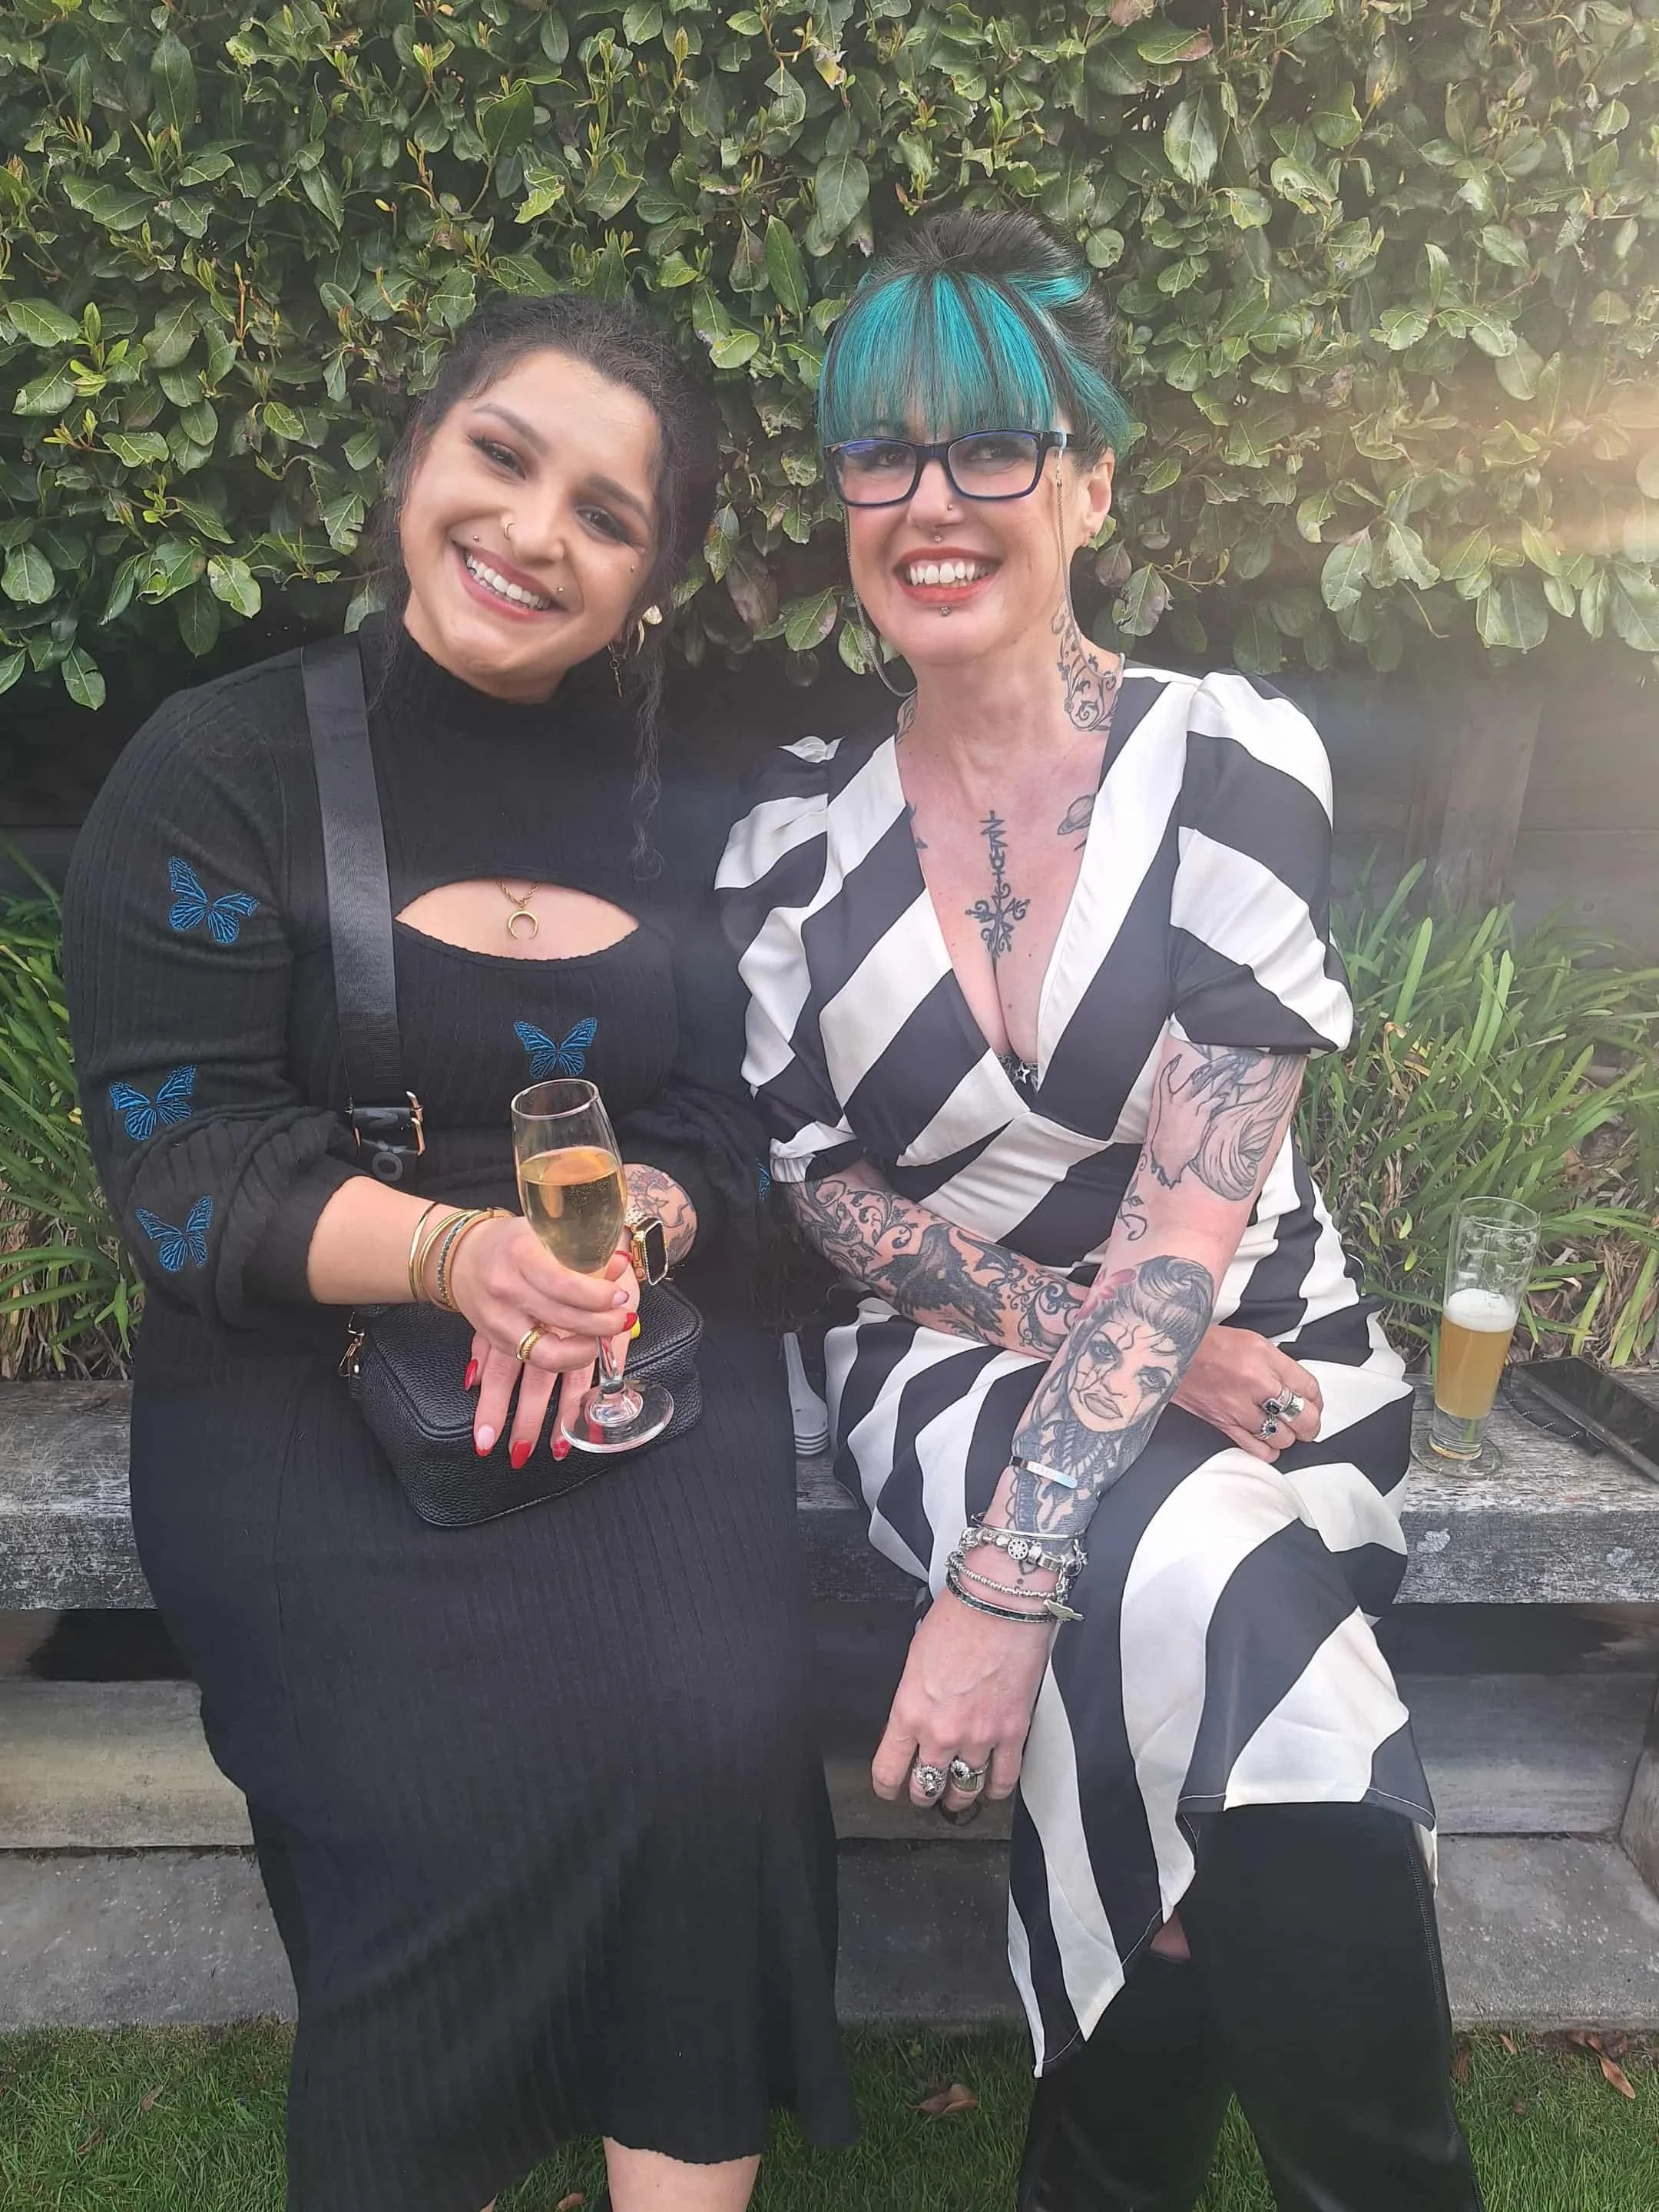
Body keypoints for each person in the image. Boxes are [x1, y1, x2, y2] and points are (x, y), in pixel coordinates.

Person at [718, 211, 1482, 2212]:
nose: (931, 500)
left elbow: (1187, 1226)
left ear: (1093, 482)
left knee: (1189, 1607)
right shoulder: (791, 834)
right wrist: (1082, 1361)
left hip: (1260, 1332)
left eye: (991, 446)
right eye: (878, 453)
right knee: (1233, 1616)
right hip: (943, 1354)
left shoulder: (1231, 763)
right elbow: (823, 1196)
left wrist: (1001, 1592)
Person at [64, 293, 853, 2212]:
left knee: (712, 1740)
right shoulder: (224, 764)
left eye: (606, 512)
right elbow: (179, 1160)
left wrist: (637, 1222)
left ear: (650, 578)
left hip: (633, 1365)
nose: (531, 533)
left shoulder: (697, 787)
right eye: (501, 457)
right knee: (429, 1803)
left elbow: (745, 1128)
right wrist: (454, 1257)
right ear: (417, 459)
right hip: (303, 1388)